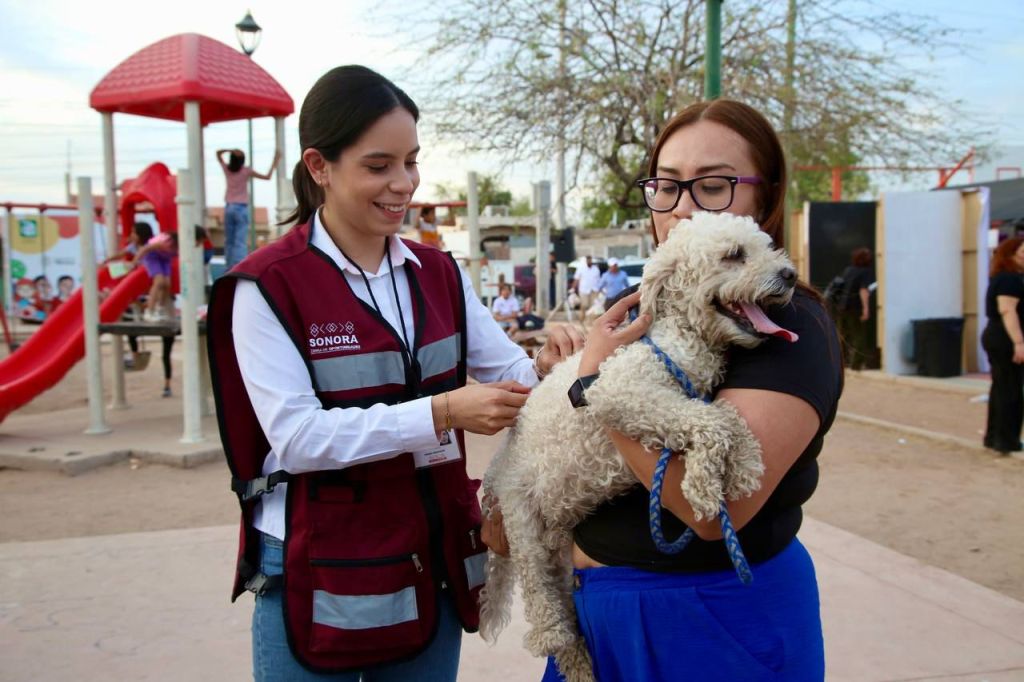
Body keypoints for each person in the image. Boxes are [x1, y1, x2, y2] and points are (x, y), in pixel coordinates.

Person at [205, 65, 571, 682]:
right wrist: (443, 413)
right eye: (379, 166)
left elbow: (509, 369)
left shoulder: (438, 273)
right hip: (318, 564)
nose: (403, 184)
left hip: (428, 555)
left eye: (412, 161)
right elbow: (296, 439)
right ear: (319, 166)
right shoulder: (267, 288)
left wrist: (553, 369)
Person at [483, 99, 843, 682]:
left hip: (710, 622)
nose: (682, 208)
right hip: (595, 621)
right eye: (668, 186)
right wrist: (563, 379)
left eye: (715, 185)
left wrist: (593, 385)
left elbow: (712, 510)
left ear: (765, 197)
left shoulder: (786, 326)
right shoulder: (656, 310)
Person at [981, 236, 1024, 454]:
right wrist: (1018, 342)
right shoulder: (1010, 280)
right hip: (1004, 337)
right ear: (1011, 255)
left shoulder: (1004, 277)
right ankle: (1006, 440)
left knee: (1002, 387)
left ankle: (995, 436)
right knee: (1010, 389)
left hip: (998, 336)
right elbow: (1007, 310)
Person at [217, 147, 281, 270]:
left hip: (229, 207)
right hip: (241, 208)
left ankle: (229, 267)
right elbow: (267, 177)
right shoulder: (246, 171)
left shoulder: (227, 170)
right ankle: (238, 268)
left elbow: (218, 154)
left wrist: (230, 150)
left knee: (229, 241)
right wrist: (275, 160)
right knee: (240, 241)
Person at [835, 247, 874, 370]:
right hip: (855, 307)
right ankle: (856, 364)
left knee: (843, 336)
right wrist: (866, 309)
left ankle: (841, 363)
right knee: (859, 336)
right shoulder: (865, 272)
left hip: (842, 306)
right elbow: (863, 290)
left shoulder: (848, 270)